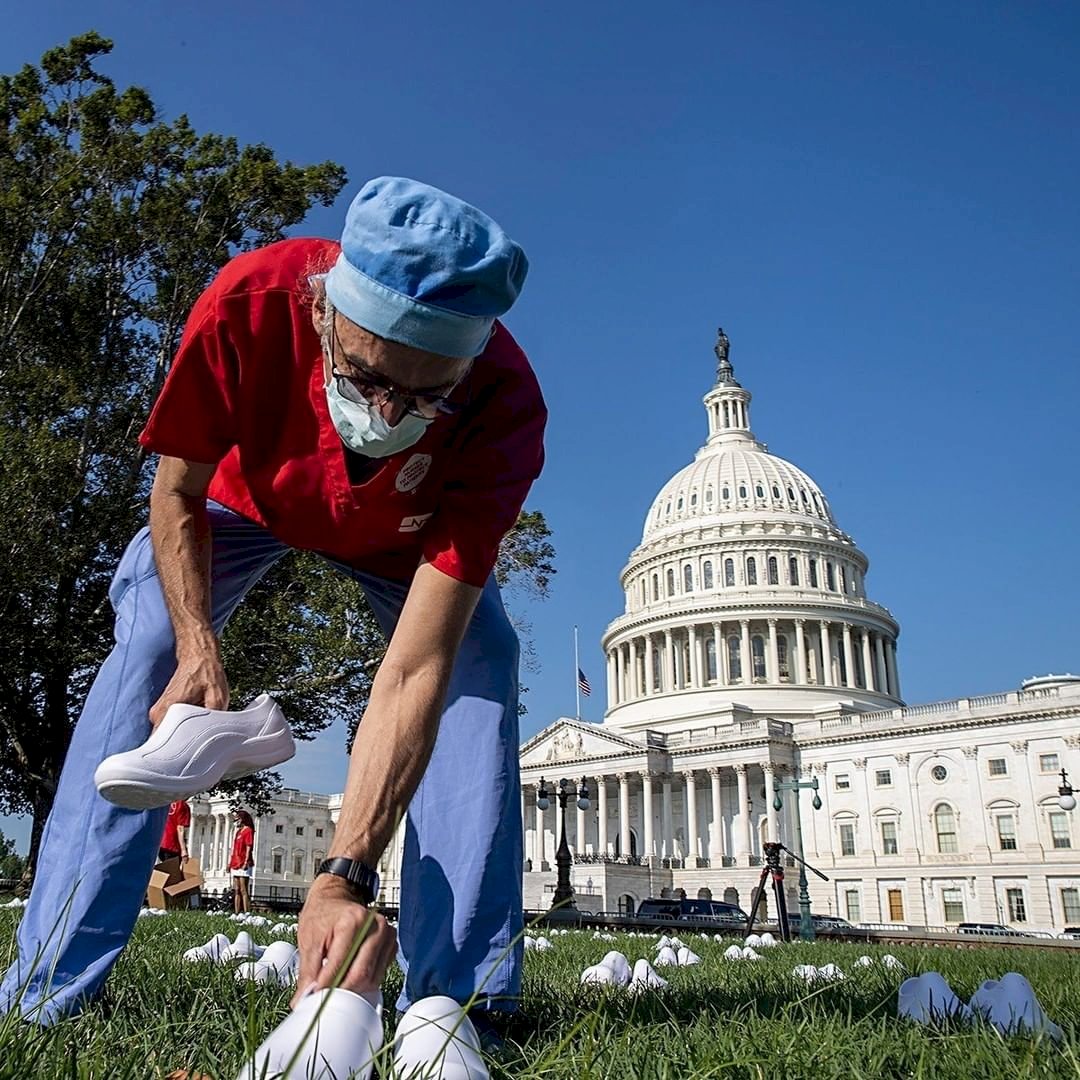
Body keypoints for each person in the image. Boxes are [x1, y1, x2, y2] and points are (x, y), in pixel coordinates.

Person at [1, 176, 544, 1026]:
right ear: (322, 311)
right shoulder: (248, 300)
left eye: (426, 394)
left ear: (470, 364)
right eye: (367, 377)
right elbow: (175, 493)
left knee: (479, 670)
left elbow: (415, 667)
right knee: (143, 658)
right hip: (237, 500)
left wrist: (346, 872)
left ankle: (460, 1004)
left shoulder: (506, 404)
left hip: (406, 536)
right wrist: (195, 646)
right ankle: (48, 990)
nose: (387, 412)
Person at [228, 810, 255, 913]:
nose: (235, 821)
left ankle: (247, 912)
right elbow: (234, 849)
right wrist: (230, 863)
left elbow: (248, 847)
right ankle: (236, 912)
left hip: (244, 862)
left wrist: (246, 861)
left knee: (244, 889)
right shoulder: (238, 832)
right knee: (237, 890)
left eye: (237, 819)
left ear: (242, 819)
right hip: (236, 862)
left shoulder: (248, 831)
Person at [158, 799, 191, 864]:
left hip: (161, 844)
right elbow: (180, 829)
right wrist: (184, 850)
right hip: (173, 845)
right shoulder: (182, 805)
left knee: (164, 870)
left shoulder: (165, 802)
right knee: (172, 871)